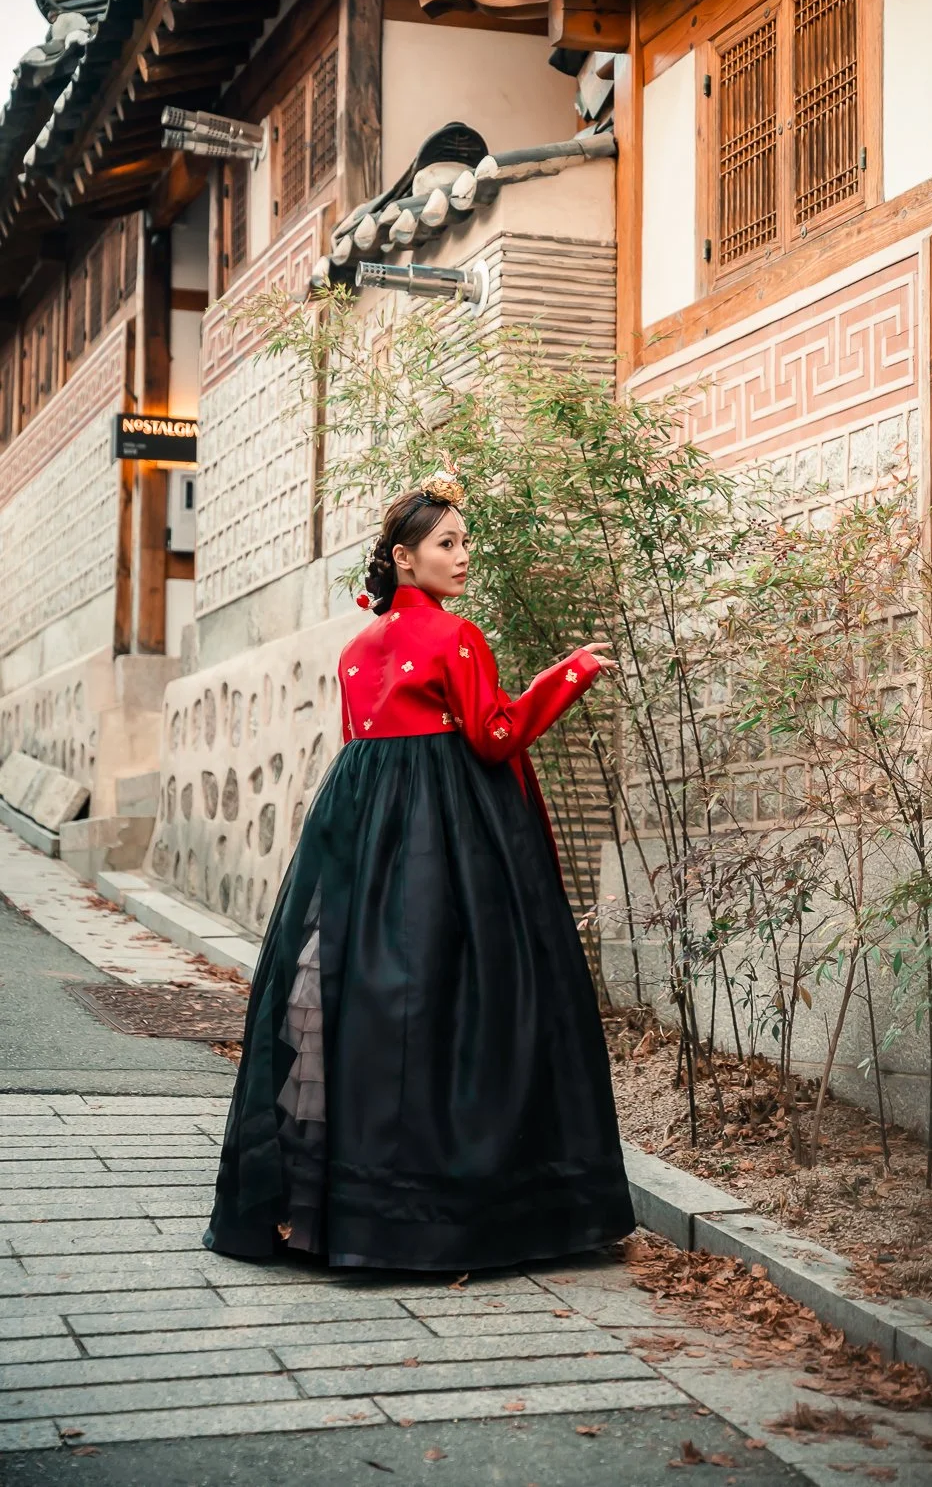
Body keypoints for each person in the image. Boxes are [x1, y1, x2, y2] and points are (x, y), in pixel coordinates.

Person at [204, 473, 637, 1271]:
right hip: (450, 834)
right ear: (406, 560)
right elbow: (495, 737)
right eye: (448, 544)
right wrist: (568, 673)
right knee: (461, 998)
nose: (463, 557)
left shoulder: (355, 649)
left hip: (356, 828)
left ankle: (343, 1210)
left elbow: (360, 741)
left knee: (357, 999)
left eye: (465, 542)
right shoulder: (455, 638)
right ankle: (453, 1212)